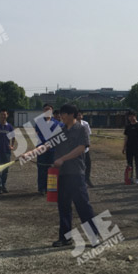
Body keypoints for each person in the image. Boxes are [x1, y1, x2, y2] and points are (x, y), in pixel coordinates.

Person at [50, 104, 100, 247]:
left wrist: (62, 159)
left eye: (63, 114)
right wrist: (30, 154)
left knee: (83, 206)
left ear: (71, 114)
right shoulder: (60, 130)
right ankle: (65, 237)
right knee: (63, 206)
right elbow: (48, 145)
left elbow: (81, 148)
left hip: (76, 173)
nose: (61, 117)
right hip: (62, 173)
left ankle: (94, 237)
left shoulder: (81, 129)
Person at [36, 104, 64, 195]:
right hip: (42, 150)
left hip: (53, 150)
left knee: (53, 169)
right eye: (45, 109)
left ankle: (51, 188)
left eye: (49, 109)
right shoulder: (39, 122)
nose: (47, 111)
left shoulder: (57, 123)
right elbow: (39, 136)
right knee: (42, 169)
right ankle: (42, 188)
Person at [122, 110, 138, 184]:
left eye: (132, 116)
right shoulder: (128, 126)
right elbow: (126, 137)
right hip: (129, 147)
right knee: (129, 163)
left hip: (137, 147)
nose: (131, 118)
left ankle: (137, 178)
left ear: (135, 116)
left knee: (137, 163)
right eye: (129, 117)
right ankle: (130, 177)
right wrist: (124, 147)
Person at [77, 111, 94, 187]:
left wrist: (88, 144)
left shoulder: (85, 124)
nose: (79, 116)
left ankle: (87, 179)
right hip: (76, 149)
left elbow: (88, 135)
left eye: (80, 115)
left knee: (88, 164)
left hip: (85, 148)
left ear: (82, 116)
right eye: (77, 115)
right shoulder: (72, 124)